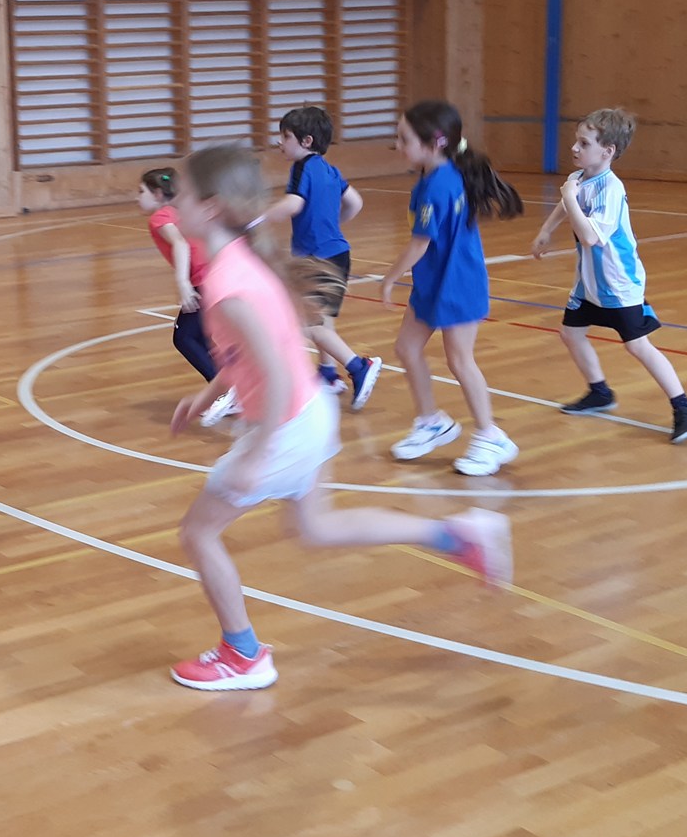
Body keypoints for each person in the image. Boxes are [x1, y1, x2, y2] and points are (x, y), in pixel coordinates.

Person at [164, 145, 512, 692]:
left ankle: (243, 654)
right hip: (311, 413)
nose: (172, 204)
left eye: (180, 194)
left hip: (285, 426)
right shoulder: (242, 263)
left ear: (209, 207)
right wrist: (208, 393)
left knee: (198, 533)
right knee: (317, 527)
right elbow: (257, 352)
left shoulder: (228, 284)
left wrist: (256, 455)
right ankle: (457, 534)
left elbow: (275, 371)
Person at [529, 109, 687, 442]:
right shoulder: (581, 178)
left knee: (638, 346)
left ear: (607, 151)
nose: (575, 148)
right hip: (588, 283)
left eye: (585, 143)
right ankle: (600, 392)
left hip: (618, 284)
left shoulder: (610, 189)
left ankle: (686, 407)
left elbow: (590, 236)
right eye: (576, 141)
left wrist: (568, 196)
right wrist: (546, 230)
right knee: (571, 334)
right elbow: (569, 202)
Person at [379, 100, 525, 476]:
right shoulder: (436, 176)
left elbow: (420, 243)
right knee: (406, 348)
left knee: (460, 360)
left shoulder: (439, 185)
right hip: (433, 281)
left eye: (405, 139)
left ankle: (491, 436)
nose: (398, 145)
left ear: (435, 143)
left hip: (457, 285)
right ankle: (431, 423)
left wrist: (389, 278)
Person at [261, 106, 381, 410]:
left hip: (316, 258)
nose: (279, 142)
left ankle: (358, 366)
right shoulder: (330, 169)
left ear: (306, 141)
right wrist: (331, 225)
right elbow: (355, 202)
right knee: (323, 321)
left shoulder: (302, 168)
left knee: (307, 324)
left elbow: (293, 204)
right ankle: (328, 373)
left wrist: (257, 219)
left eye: (285, 136)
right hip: (339, 253)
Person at [139, 167, 235, 427]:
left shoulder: (160, 217)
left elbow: (180, 244)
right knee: (202, 337)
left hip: (204, 280)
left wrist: (183, 283)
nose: (137, 197)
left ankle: (227, 392)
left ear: (157, 194)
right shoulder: (180, 212)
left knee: (185, 337)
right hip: (218, 273)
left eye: (141, 191)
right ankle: (231, 388)